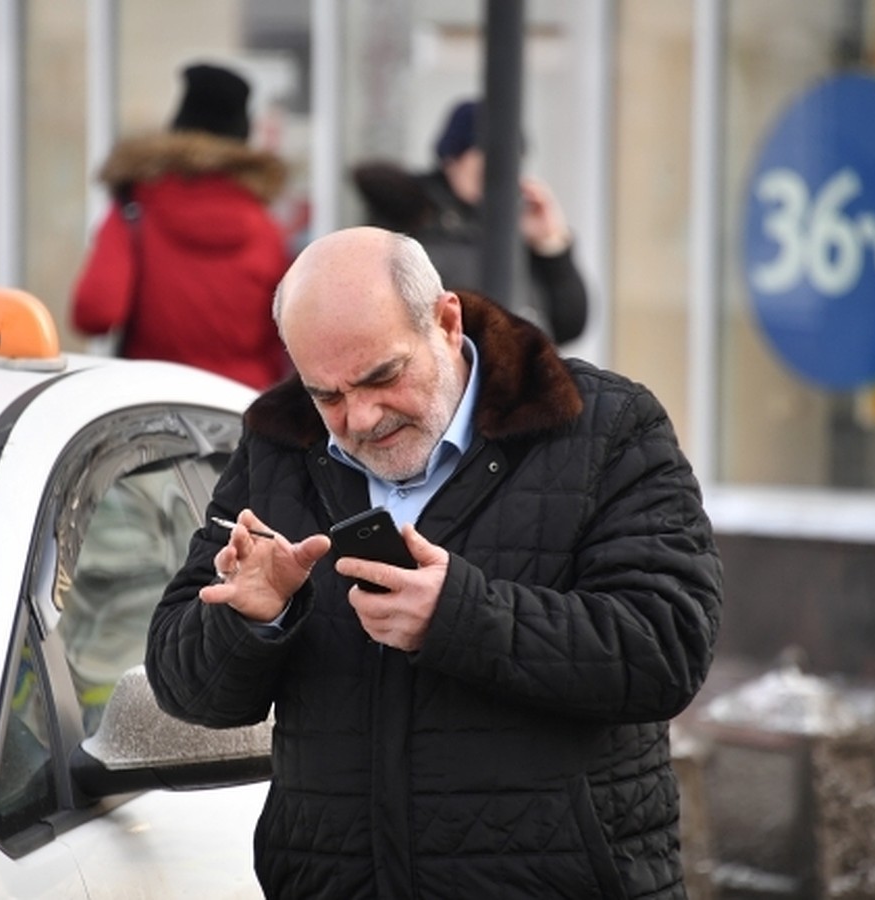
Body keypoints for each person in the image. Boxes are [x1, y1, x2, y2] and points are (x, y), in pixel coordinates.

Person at [146, 226, 723, 899]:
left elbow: (668, 645)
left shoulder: (605, 427)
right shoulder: (278, 445)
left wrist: (461, 616)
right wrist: (251, 619)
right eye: (327, 395)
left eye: (382, 376)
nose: (360, 417)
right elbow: (184, 686)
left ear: (446, 322)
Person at [70, 62, 290, 390]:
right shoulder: (266, 229)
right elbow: (286, 337)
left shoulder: (134, 209)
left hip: (152, 401)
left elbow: (95, 311)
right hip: (243, 406)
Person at [352, 99, 589, 344]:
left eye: (510, 163)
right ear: (453, 159)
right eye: (486, 160)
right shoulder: (410, 216)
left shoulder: (518, 227)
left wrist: (550, 245)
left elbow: (569, 324)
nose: (497, 175)